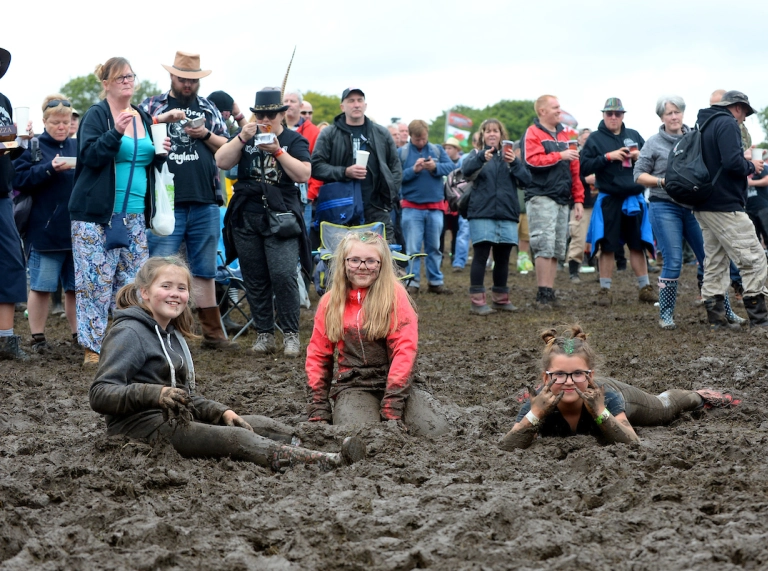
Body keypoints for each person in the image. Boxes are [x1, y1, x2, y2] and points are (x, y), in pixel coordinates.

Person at [89, 256, 365, 472]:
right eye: (166, 286)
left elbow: (182, 396)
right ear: (145, 293)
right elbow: (100, 393)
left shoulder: (171, 334)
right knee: (239, 440)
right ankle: (328, 461)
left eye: (182, 288)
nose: (175, 294)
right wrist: (155, 394)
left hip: (171, 419)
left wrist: (220, 412)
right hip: (138, 430)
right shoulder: (130, 332)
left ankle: (333, 448)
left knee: (256, 424)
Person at [69, 57, 170, 367]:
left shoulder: (142, 115)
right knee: (95, 285)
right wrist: (114, 133)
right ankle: (93, 348)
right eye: (120, 77)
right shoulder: (96, 115)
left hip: (135, 216)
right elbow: (88, 156)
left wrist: (161, 152)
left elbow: (146, 160)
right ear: (106, 83)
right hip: (96, 216)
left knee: (133, 285)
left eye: (130, 76)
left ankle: (130, 344)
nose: (127, 81)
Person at [498, 325, 739, 450]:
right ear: (545, 377)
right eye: (559, 375)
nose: (569, 381)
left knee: (663, 408)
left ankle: (698, 396)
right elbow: (506, 446)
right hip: (547, 404)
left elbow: (632, 443)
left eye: (577, 374)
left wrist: (600, 412)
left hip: (615, 396)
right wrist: (535, 415)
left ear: (590, 375)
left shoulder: (607, 396)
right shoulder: (539, 401)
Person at [305, 231, 449, 436]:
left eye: (371, 261)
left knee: (435, 432)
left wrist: (393, 404)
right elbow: (318, 356)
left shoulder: (396, 296)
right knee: (357, 435)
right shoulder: (329, 302)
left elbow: (405, 351)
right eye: (354, 260)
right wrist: (318, 407)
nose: (362, 266)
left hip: (401, 385)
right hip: (354, 385)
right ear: (344, 263)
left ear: (382, 264)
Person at [139, 51, 235, 350]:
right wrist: (160, 121)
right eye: (182, 79)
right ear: (172, 76)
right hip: (165, 201)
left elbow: (229, 147)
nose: (187, 85)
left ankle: (213, 334)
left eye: (192, 80)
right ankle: (152, 333)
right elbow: (135, 135)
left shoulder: (208, 107)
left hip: (205, 199)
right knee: (160, 270)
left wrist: (205, 133)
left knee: (205, 269)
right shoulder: (153, 104)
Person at [634, 95, 745, 330]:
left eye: (677, 112)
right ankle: (666, 314)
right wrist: (662, 181)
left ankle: (724, 310)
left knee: (711, 260)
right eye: (668, 113)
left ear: (683, 114)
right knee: (673, 261)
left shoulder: (697, 137)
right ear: (661, 117)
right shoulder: (653, 143)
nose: (674, 117)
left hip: (695, 207)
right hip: (664, 205)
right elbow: (638, 175)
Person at [217, 87, 311, 358]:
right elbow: (221, 161)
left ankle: (291, 335)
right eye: (260, 114)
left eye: (271, 114)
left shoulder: (294, 140)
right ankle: (264, 334)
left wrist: (279, 152)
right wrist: (241, 137)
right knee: (255, 278)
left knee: (283, 275)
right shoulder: (246, 136)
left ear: (282, 115)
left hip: (281, 216)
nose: (265, 119)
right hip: (247, 214)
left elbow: (304, 174)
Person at [692, 91, 767, 329]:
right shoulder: (727, 123)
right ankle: (760, 319)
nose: (744, 118)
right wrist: (751, 165)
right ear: (737, 107)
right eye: (745, 113)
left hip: (703, 202)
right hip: (725, 204)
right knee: (754, 258)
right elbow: (733, 163)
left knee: (715, 260)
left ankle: (717, 320)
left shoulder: (703, 124)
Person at [13, 94, 79, 351]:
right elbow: (18, 180)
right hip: (44, 230)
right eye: (56, 122)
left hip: (77, 231)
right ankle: (38, 337)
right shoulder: (33, 146)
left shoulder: (78, 146)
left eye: (66, 122)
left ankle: (78, 335)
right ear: (45, 121)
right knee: (41, 287)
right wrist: (49, 168)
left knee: (75, 289)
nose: (62, 127)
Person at [580, 98, 657, 306]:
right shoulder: (595, 139)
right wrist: (607, 157)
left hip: (634, 197)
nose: (613, 117)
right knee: (607, 246)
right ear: (603, 115)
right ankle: (604, 290)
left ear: (623, 115)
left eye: (617, 114)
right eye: (609, 114)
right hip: (609, 199)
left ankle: (645, 288)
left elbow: (653, 161)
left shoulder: (633, 135)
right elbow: (583, 167)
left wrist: (640, 156)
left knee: (637, 244)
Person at [310, 87, 402, 248]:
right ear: (342, 106)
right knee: (339, 258)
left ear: (365, 105)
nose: (356, 104)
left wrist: (389, 195)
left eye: (360, 100)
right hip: (339, 207)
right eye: (351, 101)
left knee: (382, 256)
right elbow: (316, 167)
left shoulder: (381, 133)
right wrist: (345, 172)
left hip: (375, 206)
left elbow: (395, 167)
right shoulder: (329, 133)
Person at [462, 118, 532, 315]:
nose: (492, 134)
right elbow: (466, 171)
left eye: (496, 131)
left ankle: (501, 299)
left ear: (502, 135)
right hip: (481, 212)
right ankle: (477, 301)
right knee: (481, 256)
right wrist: (481, 158)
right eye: (488, 131)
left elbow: (526, 180)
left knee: (503, 258)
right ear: (482, 135)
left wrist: (515, 163)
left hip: (507, 213)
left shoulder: (510, 158)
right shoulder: (476, 155)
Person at [522, 95, 585, 308]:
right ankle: (542, 293)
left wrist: (578, 199)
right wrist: (560, 155)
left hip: (562, 198)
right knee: (544, 244)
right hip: (541, 196)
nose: (560, 110)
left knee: (558, 247)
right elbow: (531, 160)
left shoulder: (565, 134)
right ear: (542, 111)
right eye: (555, 107)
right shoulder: (533, 133)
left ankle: (549, 291)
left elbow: (574, 169)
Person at [399, 119, 455, 295]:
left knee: (435, 248)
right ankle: (412, 282)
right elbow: (395, 176)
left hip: (435, 207)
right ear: (410, 136)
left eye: (423, 138)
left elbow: (452, 167)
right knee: (412, 248)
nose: (421, 142)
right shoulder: (402, 152)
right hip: (411, 207)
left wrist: (435, 167)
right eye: (417, 139)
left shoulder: (437, 149)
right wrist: (413, 171)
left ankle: (435, 281)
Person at [0, 46, 31, 360]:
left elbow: (9, 148)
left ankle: (6, 338)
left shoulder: (4, 101)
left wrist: (21, 140)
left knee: (11, 261)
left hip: (2, 194)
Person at [566, 128, 596, 282]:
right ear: (579, 140)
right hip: (580, 203)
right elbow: (570, 177)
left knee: (598, 239)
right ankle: (573, 272)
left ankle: (597, 270)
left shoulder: (598, 155)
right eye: (585, 139)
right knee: (578, 237)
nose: (588, 142)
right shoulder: (574, 155)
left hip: (597, 202)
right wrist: (586, 180)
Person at [440, 137, 470, 272]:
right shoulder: (442, 164)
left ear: (457, 150)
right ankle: (441, 258)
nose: (447, 150)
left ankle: (455, 258)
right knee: (441, 232)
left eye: (450, 148)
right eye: (445, 148)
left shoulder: (462, 164)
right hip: (444, 203)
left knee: (457, 231)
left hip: (458, 203)